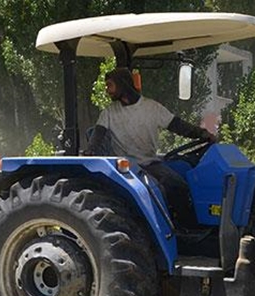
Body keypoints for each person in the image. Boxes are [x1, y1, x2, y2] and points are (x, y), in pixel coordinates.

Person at [85, 67, 216, 227]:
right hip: (127, 168)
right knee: (156, 191)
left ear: (122, 84)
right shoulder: (109, 113)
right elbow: (97, 136)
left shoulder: (152, 108)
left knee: (178, 186)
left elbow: (178, 126)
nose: (107, 90)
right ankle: (178, 231)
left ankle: (187, 229)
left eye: (109, 85)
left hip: (150, 163)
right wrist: (90, 150)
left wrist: (202, 134)